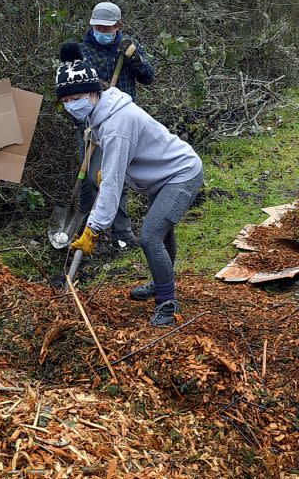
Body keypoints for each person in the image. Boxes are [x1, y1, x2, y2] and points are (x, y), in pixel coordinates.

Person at [56, 42, 202, 328]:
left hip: (180, 173)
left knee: (149, 236)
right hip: (160, 177)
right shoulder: (101, 112)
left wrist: (94, 229)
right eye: (65, 100)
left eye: (77, 96)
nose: (72, 104)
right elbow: (115, 168)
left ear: (93, 91)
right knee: (162, 232)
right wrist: (111, 172)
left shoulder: (117, 124)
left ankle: (167, 301)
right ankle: (164, 281)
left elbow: (111, 183)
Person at [74, 2, 157, 249]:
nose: (101, 31)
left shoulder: (127, 48)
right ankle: (88, 230)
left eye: (106, 27)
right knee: (90, 178)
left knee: (115, 177)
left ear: (118, 26)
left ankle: (122, 232)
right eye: (97, 26)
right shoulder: (82, 51)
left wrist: (136, 59)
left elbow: (149, 78)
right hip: (92, 124)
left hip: (123, 125)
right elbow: (73, 90)